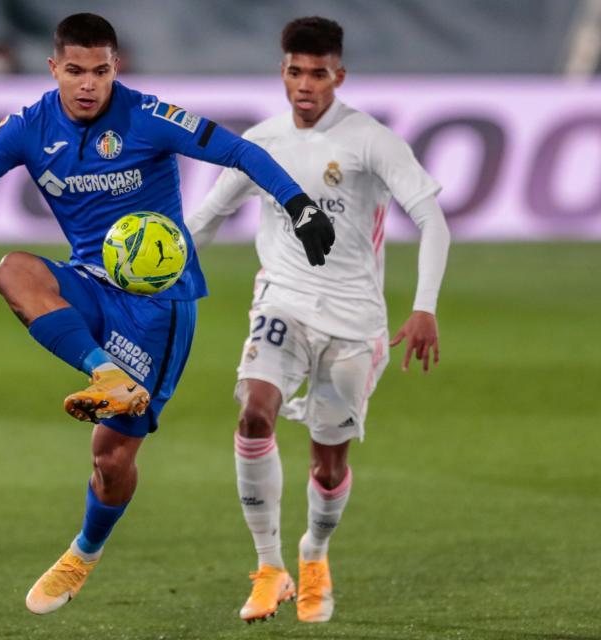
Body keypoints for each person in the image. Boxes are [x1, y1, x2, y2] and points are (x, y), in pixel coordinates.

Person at [0, 13, 334, 616]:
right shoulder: (28, 127)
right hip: (89, 284)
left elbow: (238, 150)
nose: (88, 84)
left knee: (110, 459)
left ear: (114, 68)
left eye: (100, 70)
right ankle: (104, 372)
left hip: (159, 307)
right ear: (54, 69)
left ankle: (85, 550)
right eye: (75, 70)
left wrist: (300, 206)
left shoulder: (147, 117)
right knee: (12, 270)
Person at [187, 16, 449, 625]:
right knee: (255, 408)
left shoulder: (370, 140)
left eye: (318, 74)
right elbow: (203, 220)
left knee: (328, 462)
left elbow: (433, 220)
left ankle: (315, 552)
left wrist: (425, 306)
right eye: (295, 72)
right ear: (282, 71)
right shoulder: (260, 143)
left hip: (356, 323)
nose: (305, 85)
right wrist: (150, 273)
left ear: (339, 75)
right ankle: (268, 566)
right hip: (282, 302)